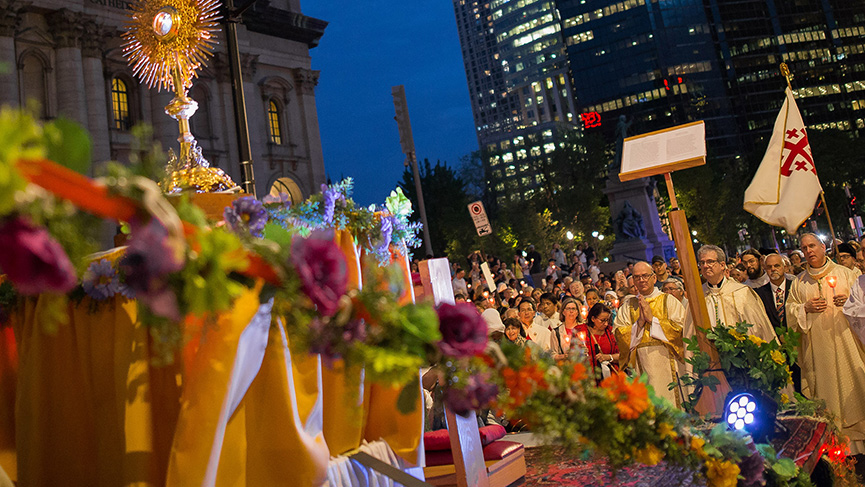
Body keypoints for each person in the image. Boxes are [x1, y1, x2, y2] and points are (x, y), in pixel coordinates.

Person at [788, 233, 865, 455]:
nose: (808, 251)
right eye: (804, 248)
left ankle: (860, 441)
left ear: (823, 247)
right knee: (827, 393)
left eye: (812, 246)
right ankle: (836, 446)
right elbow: (790, 311)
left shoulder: (847, 274)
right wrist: (805, 308)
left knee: (856, 388)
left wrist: (849, 300)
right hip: (818, 351)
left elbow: (861, 305)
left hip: (848, 344)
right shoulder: (799, 282)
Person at [613, 261, 688, 408]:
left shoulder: (669, 300)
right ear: (633, 281)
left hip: (668, 362)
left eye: (645, 276)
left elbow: (681, 331)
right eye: (637, 277)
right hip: (641, 367)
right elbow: (620, 335)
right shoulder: (627, 306)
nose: (641, 280)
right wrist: (640, 323)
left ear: (654, 278)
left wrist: (652, 320)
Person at [697, 245, 778, 343]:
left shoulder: (741, 292)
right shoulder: (698, 296)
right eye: (702, 262)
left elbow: (758, 328)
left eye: (710, 262)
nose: (705, 266)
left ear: (722, 265)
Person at [755, 253, 801, 392]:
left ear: (785, 267)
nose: (773, 269)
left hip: (799, 346)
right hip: (777, 350)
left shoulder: (796, 286)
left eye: (777, 266)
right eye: (769, 267)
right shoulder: (760, 294)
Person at [576, 303, 619, 383]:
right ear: (593, 318)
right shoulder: (580, 331)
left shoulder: (610, 332)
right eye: (602, 320)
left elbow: (622, 356)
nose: (606, 324)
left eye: (607, 320)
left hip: (609, 379)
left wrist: (608, 357)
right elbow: (571, 355)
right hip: (587, 378)